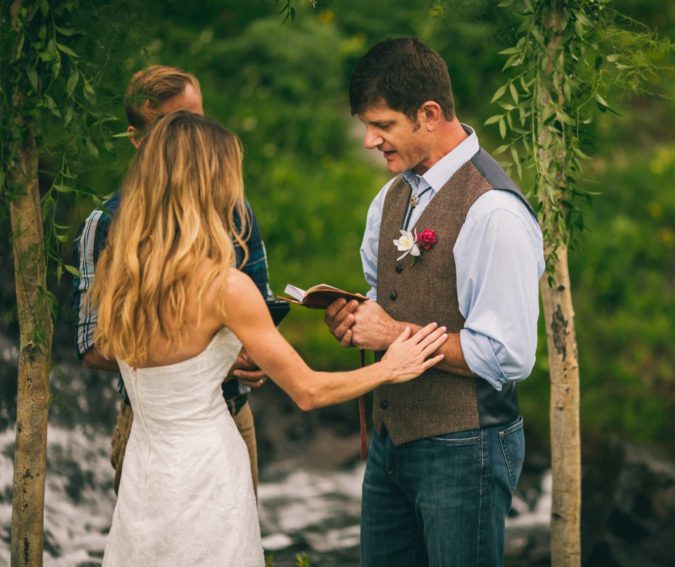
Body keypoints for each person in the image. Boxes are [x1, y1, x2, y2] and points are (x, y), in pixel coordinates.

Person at [92, 111, 448, 566]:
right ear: (208, 183)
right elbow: (308, 391)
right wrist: (388, 368)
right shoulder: (224, 287)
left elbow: (130, 357)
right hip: (205, 474)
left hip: (145, 471)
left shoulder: (119, 272)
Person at [324, 37, 545, 566]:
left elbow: (508, 356)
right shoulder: (390, 197)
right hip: (391, 443)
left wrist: (391, 335)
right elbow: (385, 294)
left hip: (467, 448)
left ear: (428, 114)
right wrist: (358, 319)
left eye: (381, 125)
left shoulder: (494, 212)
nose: (368, 141)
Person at [71, 65, 270, 495]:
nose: (190, 136)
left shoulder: (237, 211)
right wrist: (202, 361)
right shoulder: (105, 224)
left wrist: (255, 357)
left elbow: (261, 303)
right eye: (173, 125)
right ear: (137, 137)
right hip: (150, 427)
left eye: (195, 120)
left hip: (233, 417)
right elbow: (91, 345)